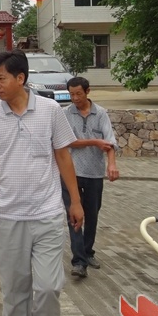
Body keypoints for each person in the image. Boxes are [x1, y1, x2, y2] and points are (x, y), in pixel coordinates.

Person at [0, 50, 83, 316]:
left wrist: (75, 201)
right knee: (15, 290)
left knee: (48, 287)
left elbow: (63, 156)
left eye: (1, 78)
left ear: (21, 78)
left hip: (46, 214)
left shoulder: (50, 111)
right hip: (7, 216)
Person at [62, 76, 119, 279]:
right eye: (71, 94)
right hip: (71, 173)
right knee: (74, 216)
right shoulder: (65, 113)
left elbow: (109, 142)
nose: (75, 98)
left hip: (94, 173)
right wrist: (95, 141)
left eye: (78, 94)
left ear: (88, 91)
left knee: (92, 215)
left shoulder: (101, 113)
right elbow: (67, 141)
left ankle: (87, 252)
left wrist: (111, 164)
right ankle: (78, 262)